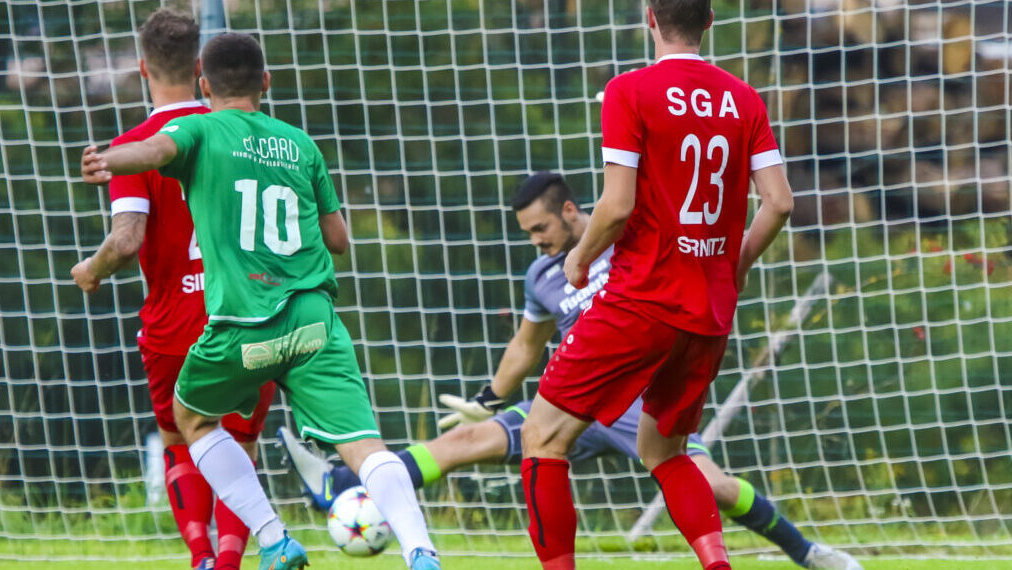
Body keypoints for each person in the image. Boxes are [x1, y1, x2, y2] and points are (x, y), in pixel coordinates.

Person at [277, 172, 860, 570]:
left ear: (573, 212)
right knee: (463, 441)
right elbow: (526, 346)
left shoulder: (627, 240)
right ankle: (344, 483)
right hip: (571, 398)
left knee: (710, 484)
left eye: (541, 229)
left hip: (637, 398)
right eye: (528, 233)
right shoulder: (541, 278)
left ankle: (805, 551)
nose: (536, 242)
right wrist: (490, 394)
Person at [80, 33, 440, 570]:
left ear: (204, 85)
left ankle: (273, 539)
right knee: (364, 445)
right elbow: (339, 240)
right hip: (314, 323)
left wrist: (110, 158)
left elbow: (155, 150)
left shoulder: (198, 127)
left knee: (192, 421)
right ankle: (422, 553)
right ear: (266, 82)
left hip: (242, 328)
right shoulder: (301, 144)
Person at [518, 1, 796, 569]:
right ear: (710, 20)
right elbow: (780, 202)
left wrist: (580, 257)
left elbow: (617, 206)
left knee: (543, 438)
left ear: (650, 17)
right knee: (664, 450)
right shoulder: (744, 99)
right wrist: (735, 264)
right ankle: (718, 564)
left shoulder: (630, 90)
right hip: (708, 312)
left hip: (640, 301)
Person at [69, 10, 274, 570]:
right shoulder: (243, 137)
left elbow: (128, 239)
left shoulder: (135, 145)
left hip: (173, 324)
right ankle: (232, 560)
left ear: (142, 69)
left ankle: (202, 556)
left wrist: (90, 269)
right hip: (244, 314)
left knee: (182, 440)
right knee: (238, 443)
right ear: (202, 73)